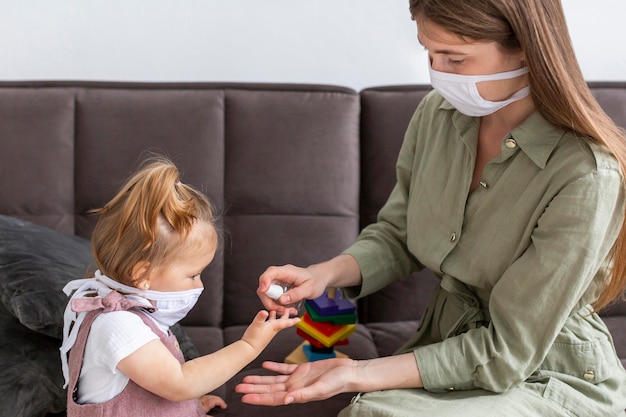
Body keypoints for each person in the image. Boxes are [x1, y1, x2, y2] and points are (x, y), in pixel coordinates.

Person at [235, 0, 626, 416]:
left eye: (455, 59)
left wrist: (356, 373)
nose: (438, 74)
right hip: (446, 351)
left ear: (527, 49)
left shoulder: (587, 175)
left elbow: (508, 351)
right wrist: (321, 276)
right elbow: (400, 234)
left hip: (546, 374)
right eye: (429, 53)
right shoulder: (437, 116)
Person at [59, 158, 300, 417]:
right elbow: (179, 383)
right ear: (142, 275)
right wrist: (249, 346)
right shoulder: (116, 324)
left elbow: (158, 385)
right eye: (193, 275)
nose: (200, 285)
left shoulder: (136, 316)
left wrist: (189, 405)